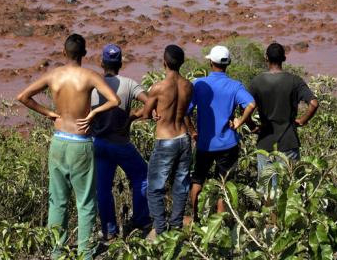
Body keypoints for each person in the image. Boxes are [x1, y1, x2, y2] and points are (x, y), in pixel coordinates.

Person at [16, 33, 120, 259]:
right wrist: (93, 113)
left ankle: (56, 251)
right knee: (85, 201)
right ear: (84, 54)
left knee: (57, 200)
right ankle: (84, 252)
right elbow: (115, 100)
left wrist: (49, 113)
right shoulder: (89, 76)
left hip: (59, 140)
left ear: (64, 53)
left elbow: (23, 96)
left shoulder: (54, 75)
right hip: (81, 142)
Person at [187, 45, 257, 220]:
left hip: (205, 142)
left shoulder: (199, 84)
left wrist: (192, 132)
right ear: (228, 64)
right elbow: (251, 104)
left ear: (210, 62)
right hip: (228, 143)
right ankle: (220, 221)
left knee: (198, 179)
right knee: (224, 183)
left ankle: (194, 217)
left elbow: (185, 111)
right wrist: (240, 121)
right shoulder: (235, 86)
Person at [91, 44, 151, 240]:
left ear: (102, 63)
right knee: (142, 175)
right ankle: (141, 220)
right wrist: (133, 117)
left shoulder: (93, 85)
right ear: (121, 64)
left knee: (103, 188)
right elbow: (151, 103)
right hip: (121, 143)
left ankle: (110, 230)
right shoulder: (129, 84)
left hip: (99, 143)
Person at [138, 45, 193, 239]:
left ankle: (160, 229)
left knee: (155, 187)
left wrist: (152, 112)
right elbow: (185, 110)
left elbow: (145, 114)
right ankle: (176, 226)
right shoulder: (188, 85)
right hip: (184, 138)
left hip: (165, 140)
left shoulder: (158, 87)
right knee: (181, 184)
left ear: (164, 62)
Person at [247, 42, 319, 182]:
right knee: (288, 189)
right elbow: (314, 104)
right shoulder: (295, 81)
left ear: (266, 58)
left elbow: (245, 108)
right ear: (284, 59)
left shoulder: (257, 82)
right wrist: (303, 120)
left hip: (265, 143)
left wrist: (252, 126)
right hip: (289, 142)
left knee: (267, 190)